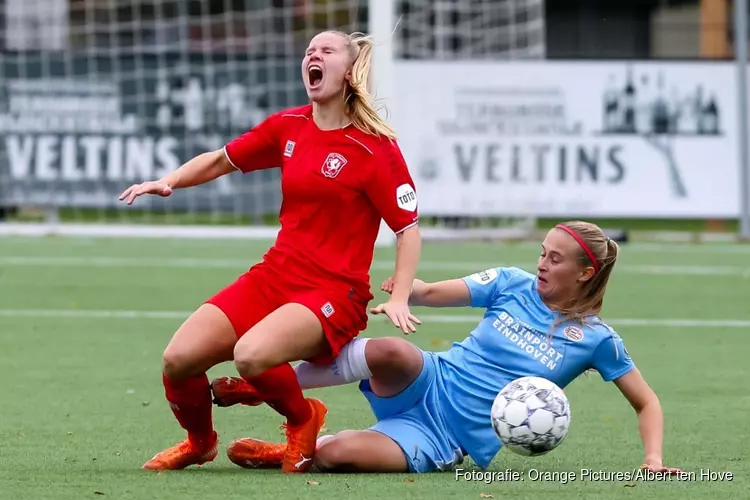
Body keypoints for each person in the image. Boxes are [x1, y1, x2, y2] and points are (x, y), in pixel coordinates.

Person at [118, 30, 423, 473]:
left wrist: (399, 296)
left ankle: (304, 419)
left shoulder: (374, 148)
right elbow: (221, 158)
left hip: (335, 292)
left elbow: (408, 228)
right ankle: (199, 443)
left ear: (350, 71)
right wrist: (170, 180)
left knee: (251, 355)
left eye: (326, 50)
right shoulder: (289, 126)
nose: (313, 55)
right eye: (309, 51)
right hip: (275, 275)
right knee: (179, 359)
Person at [211, 221, 681, 475]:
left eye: (554, 259)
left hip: (443, 437)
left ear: (583, 274)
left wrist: (653, 461)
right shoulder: (510, 283)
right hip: (430, 379)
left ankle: (299, 446)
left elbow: (647, 401)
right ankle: (268, 387)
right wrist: (404, 292)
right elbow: (431, 292)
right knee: (393, 351)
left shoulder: (597, 340)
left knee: (337, 457)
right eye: (541, 252)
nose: (540, 264)